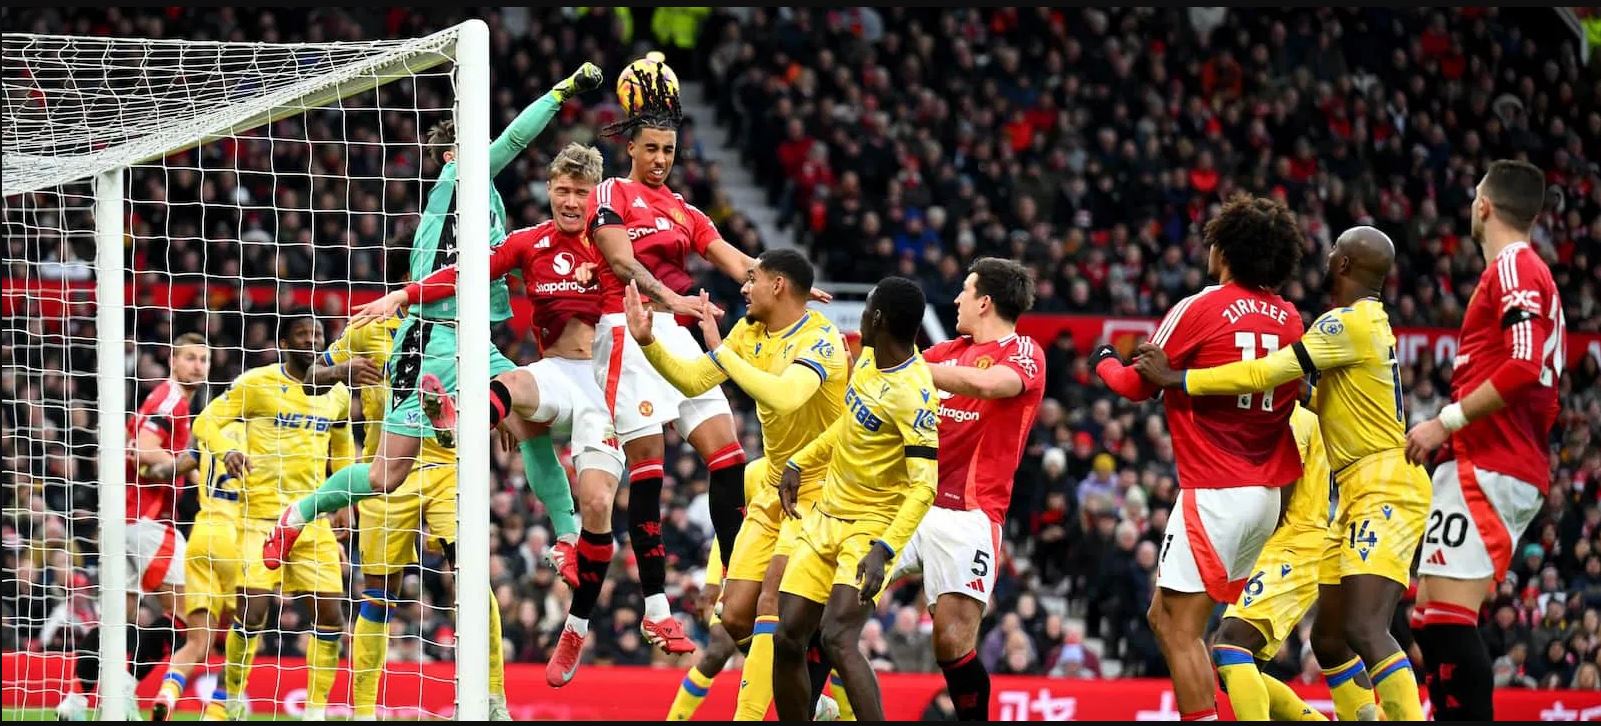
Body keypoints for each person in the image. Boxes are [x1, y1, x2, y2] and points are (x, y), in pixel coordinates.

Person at [260, 63, 605, 579]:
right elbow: (514, 141)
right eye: (475, 148)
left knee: (531, 426)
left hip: (478, 342)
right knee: (387, 475)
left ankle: (567, 538)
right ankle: (296, 515)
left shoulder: (490, 204)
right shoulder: (454, 178)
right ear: (451, 157)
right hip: (429, 339)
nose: (486, 153)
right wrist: (561, 92)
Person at [1138, 225, 1431, 720]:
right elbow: (1332, 406)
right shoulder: (1366, 324)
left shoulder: (1344, 324)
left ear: (1343, 264)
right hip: (1359, 488)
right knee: (1330, 640)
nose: (1326, 256)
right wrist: (1302, 394)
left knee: (1363, 629)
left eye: (1334, 250)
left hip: (1382, 486)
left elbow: (1264, 372)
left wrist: (1179, 378)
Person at [363, 143, 627, 688]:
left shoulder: (615, 244)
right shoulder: (529, 241)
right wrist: (405, 294)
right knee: (513, 392)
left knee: (599, 503)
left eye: (581, 193)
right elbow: (465, 273)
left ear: (596, 196)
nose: (570, 201)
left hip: (609, 387)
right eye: (562, 190)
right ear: (548, 190)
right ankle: (464, 423)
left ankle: (577, 621)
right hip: (558, 374)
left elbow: (656, 284)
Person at [584, 66, 827, 653]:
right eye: (651, 149)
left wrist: (789, 286)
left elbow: (734, 259)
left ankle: (736, 578)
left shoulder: (683, 209)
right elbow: (621, 262)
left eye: (668, 150)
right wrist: (670, 299)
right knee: (650, 468)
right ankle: (656, 607)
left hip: (679, 331)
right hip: (628, 327)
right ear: (631, 148)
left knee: (729, 455)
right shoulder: (611, 195)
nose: (660, 159)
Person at [1095, 193, 1306, 722]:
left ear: (1225, 250)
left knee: (1176, 627)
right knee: (1168, 617)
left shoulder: (1201, 307)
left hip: (1217, 490)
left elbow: (1136, 385)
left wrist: (1104, 361)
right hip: (1266, 494)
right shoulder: (1289, 318)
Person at [625, 248, 850, 719]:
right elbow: (693, 381)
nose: (744, 288)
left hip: (821, 493)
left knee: (771, 599)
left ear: (778, 285)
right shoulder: (749, 333)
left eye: (753, 279)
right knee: (733, 616)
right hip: (774, 488)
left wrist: (723, 352)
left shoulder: (821, 340)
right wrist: (648, 343)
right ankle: (815, 696)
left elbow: (786, 396)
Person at [1406, 160, 1567, 720]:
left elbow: (1523, 363)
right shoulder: (1518, 270)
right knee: (1429, 615)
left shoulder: (1516, 266)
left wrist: (1444, 422)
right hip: (1484, 457)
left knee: (1447, 621)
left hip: (1494, 459)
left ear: (1484, 205)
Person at [770, 277, 940, 721]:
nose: (860, 317)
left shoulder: (914, 395)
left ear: (878, 318)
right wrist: (799, 461)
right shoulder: (867, 358)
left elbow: (925, 486)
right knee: (787, 636)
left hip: (871, 528)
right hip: (826, 515)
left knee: (837, 638)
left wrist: (885, 548)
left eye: (865, 309)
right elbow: (848, 426)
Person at [885, 257, 1046, 720]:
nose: (956, 298)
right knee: (836, 598)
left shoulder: (1024, 352)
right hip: (910, 505)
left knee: (951, 642)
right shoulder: (946, 352)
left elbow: (991, 385)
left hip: (971, 516)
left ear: (985, 302)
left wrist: (910, 367)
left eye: (965, 290)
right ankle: (825, 706)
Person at [189, 313, 353, 721]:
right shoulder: (256, 384)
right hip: (261, 518)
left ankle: (316, 711)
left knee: (331, 617)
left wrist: (344, 500)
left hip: (312, 517)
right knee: (252, 612)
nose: (311, 340)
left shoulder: (337, 393)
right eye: (302, 334)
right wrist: (227, 448)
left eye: (317, 334)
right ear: (284, 343)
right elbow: (205, 422)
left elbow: (343, 446)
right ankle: (228, 701)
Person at [54, 334, 211, 722]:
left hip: (121, 520)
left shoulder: (157, 398)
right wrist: (193, 465)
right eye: (190, 358)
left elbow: (126, 442)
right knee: (191, 620)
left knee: (116, 620)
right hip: (148, 522)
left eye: (204, 360)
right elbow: (141, 447)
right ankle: (125, 687)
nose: (198, 366)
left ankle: (75, 700)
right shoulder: (171, 400)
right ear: (173, 361)